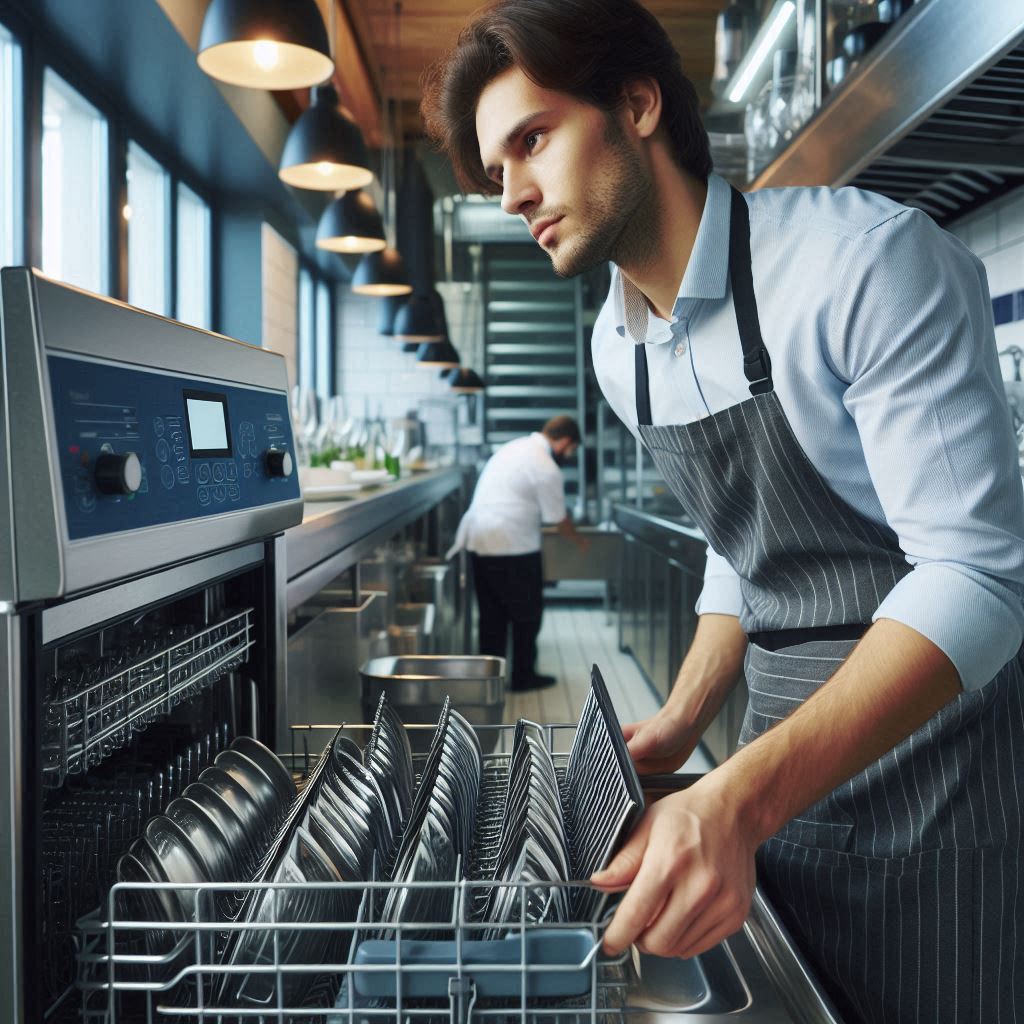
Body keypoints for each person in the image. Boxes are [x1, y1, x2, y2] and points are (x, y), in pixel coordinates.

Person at [421, 2, 1024, 1020]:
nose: (514, 192)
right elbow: (735, 537)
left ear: (638, 103)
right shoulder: (618, 348)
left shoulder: (863, 264)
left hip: (938, 775)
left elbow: (980, 580)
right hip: (774, 759)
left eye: (533, 139)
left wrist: (740, 794)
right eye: (493, 172)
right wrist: (691, 717)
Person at [451, 415, 587, 691]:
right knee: (526, 616)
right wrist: (579, 540)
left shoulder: (515, 447)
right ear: (565, 441)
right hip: (513, 546)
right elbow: (557, 518)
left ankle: (490, 681)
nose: (568, 455)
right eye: (571, 450)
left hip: (480, 541)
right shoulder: (545, 465)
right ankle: (524, 677)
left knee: (491, 617)